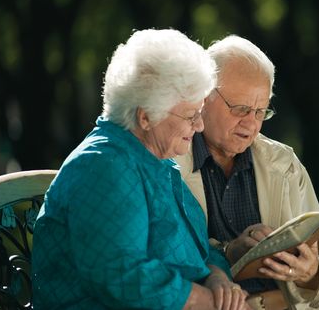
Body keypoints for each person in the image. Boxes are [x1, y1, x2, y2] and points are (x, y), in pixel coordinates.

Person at [32, 29, 251, 310]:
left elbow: (197, 250)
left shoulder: (155, 163)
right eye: (190, 115)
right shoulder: (103, 166)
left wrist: (217, 279)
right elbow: (122, 275)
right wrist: (206, 302)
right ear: (145, 116)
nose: (199, 126)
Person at [175, 35, 319, 310]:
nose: (251, 124)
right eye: (241, 109)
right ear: (203, 96)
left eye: (261, 112)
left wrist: (310, 273)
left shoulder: (284, 164)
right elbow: (164, 265)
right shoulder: (169, 161)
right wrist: (230, 254)